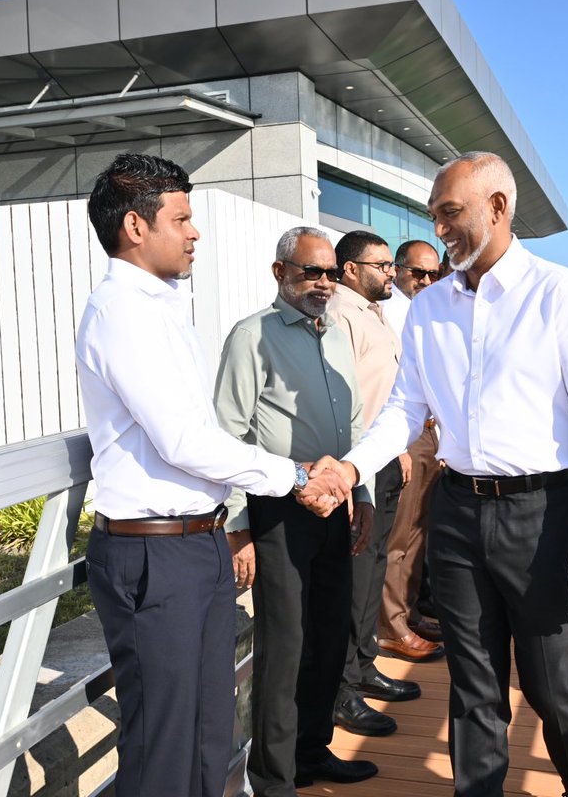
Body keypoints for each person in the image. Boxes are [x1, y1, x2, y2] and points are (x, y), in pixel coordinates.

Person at [315, 151, 568, 797]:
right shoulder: (430, 311)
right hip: (457, 514)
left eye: (450, 214)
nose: (440, 230)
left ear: (498, 208)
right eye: (434, 217)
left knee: (553, 683)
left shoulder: (562, 297)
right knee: (473, 683)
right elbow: (404, 408)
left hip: (546, 516)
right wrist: (350, 467)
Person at [74, 154, 348, 797]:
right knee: (165, 747)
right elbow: (184, 441)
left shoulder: (162, 305)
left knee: (207, 733)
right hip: (152, 550)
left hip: (192, 542)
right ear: (136, 228)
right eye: (182, 218)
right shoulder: (122, 312)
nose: (195, 232)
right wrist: (293, 475)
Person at [213, 226, 377, 794]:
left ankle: (311, 754)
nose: (323, 283)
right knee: (285, 649)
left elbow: (353, 425)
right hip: (278, 510)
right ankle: (274, 777)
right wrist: (236, 527)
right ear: (280, 272)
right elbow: (227, 436)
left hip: (335, 505)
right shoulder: (251, 336)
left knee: (330, 637)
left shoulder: (335, 335)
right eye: (311, 271)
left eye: (331, 273)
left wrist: (363, 496)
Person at [326, 230, 434, 740]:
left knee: (372, 570)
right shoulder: (341, 316)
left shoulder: (374, 314)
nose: (393, 273)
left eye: (393, 266)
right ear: (350, 269)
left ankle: (364, 666)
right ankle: (343, 688)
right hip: (361, 464)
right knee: (358, 573)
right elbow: (349, 400)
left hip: (384, 457)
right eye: (382, 265)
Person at [379, 239, 448, 658]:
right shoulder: (386, 313)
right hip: (403, 434)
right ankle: (391, 624)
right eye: (416, 273)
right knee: (399, 534)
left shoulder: (426, 312)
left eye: (433, 274)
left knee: (421, 529)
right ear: (398, 270)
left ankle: (408, 611)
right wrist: (400, 446)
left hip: (429, 432)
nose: (425, 281)